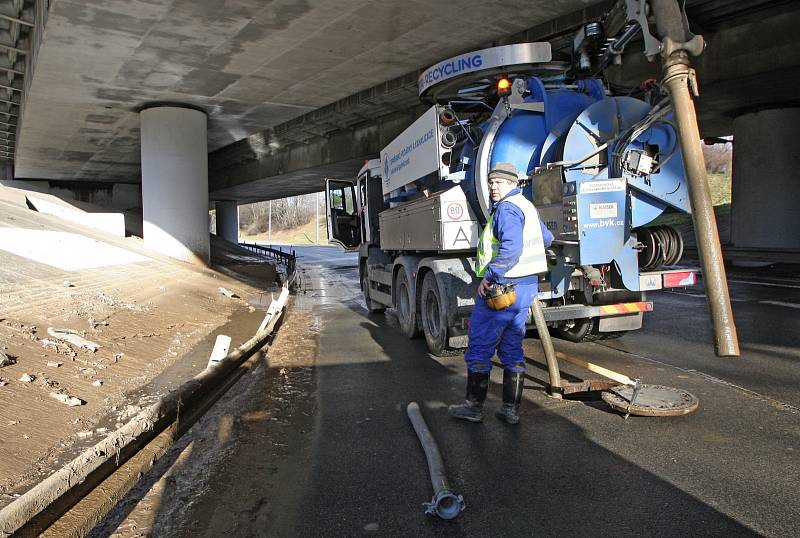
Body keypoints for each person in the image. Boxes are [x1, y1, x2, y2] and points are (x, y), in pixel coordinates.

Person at [449, 162, 553, 425]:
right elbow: (547, 238)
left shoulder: (506, 209)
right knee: (511, 346)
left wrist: (490, 276)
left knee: (480, 346)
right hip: (525, 289)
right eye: (492, 182)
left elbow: (511, 250)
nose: (494, 187)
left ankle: (473, 408)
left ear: (513, 184)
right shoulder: (526, 206)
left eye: (500, 183)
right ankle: (510, 410)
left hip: (502, 289)